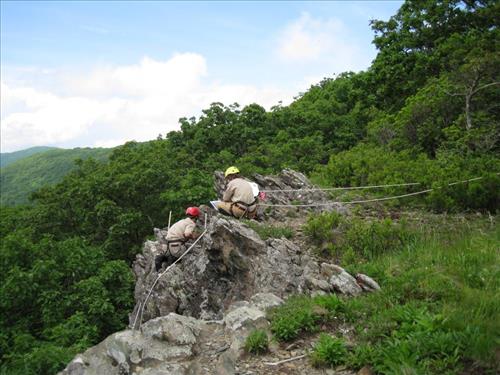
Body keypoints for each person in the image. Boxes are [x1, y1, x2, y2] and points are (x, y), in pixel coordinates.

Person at [155, 206, 200, 272]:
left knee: (172, 254)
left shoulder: (182, 221)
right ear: (196, 216)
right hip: (176, 246)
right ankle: (171, 260)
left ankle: (165, 259)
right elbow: (187, 234)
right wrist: (193, 237)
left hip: (168, 245)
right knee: (190, 252)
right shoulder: (191, 223)